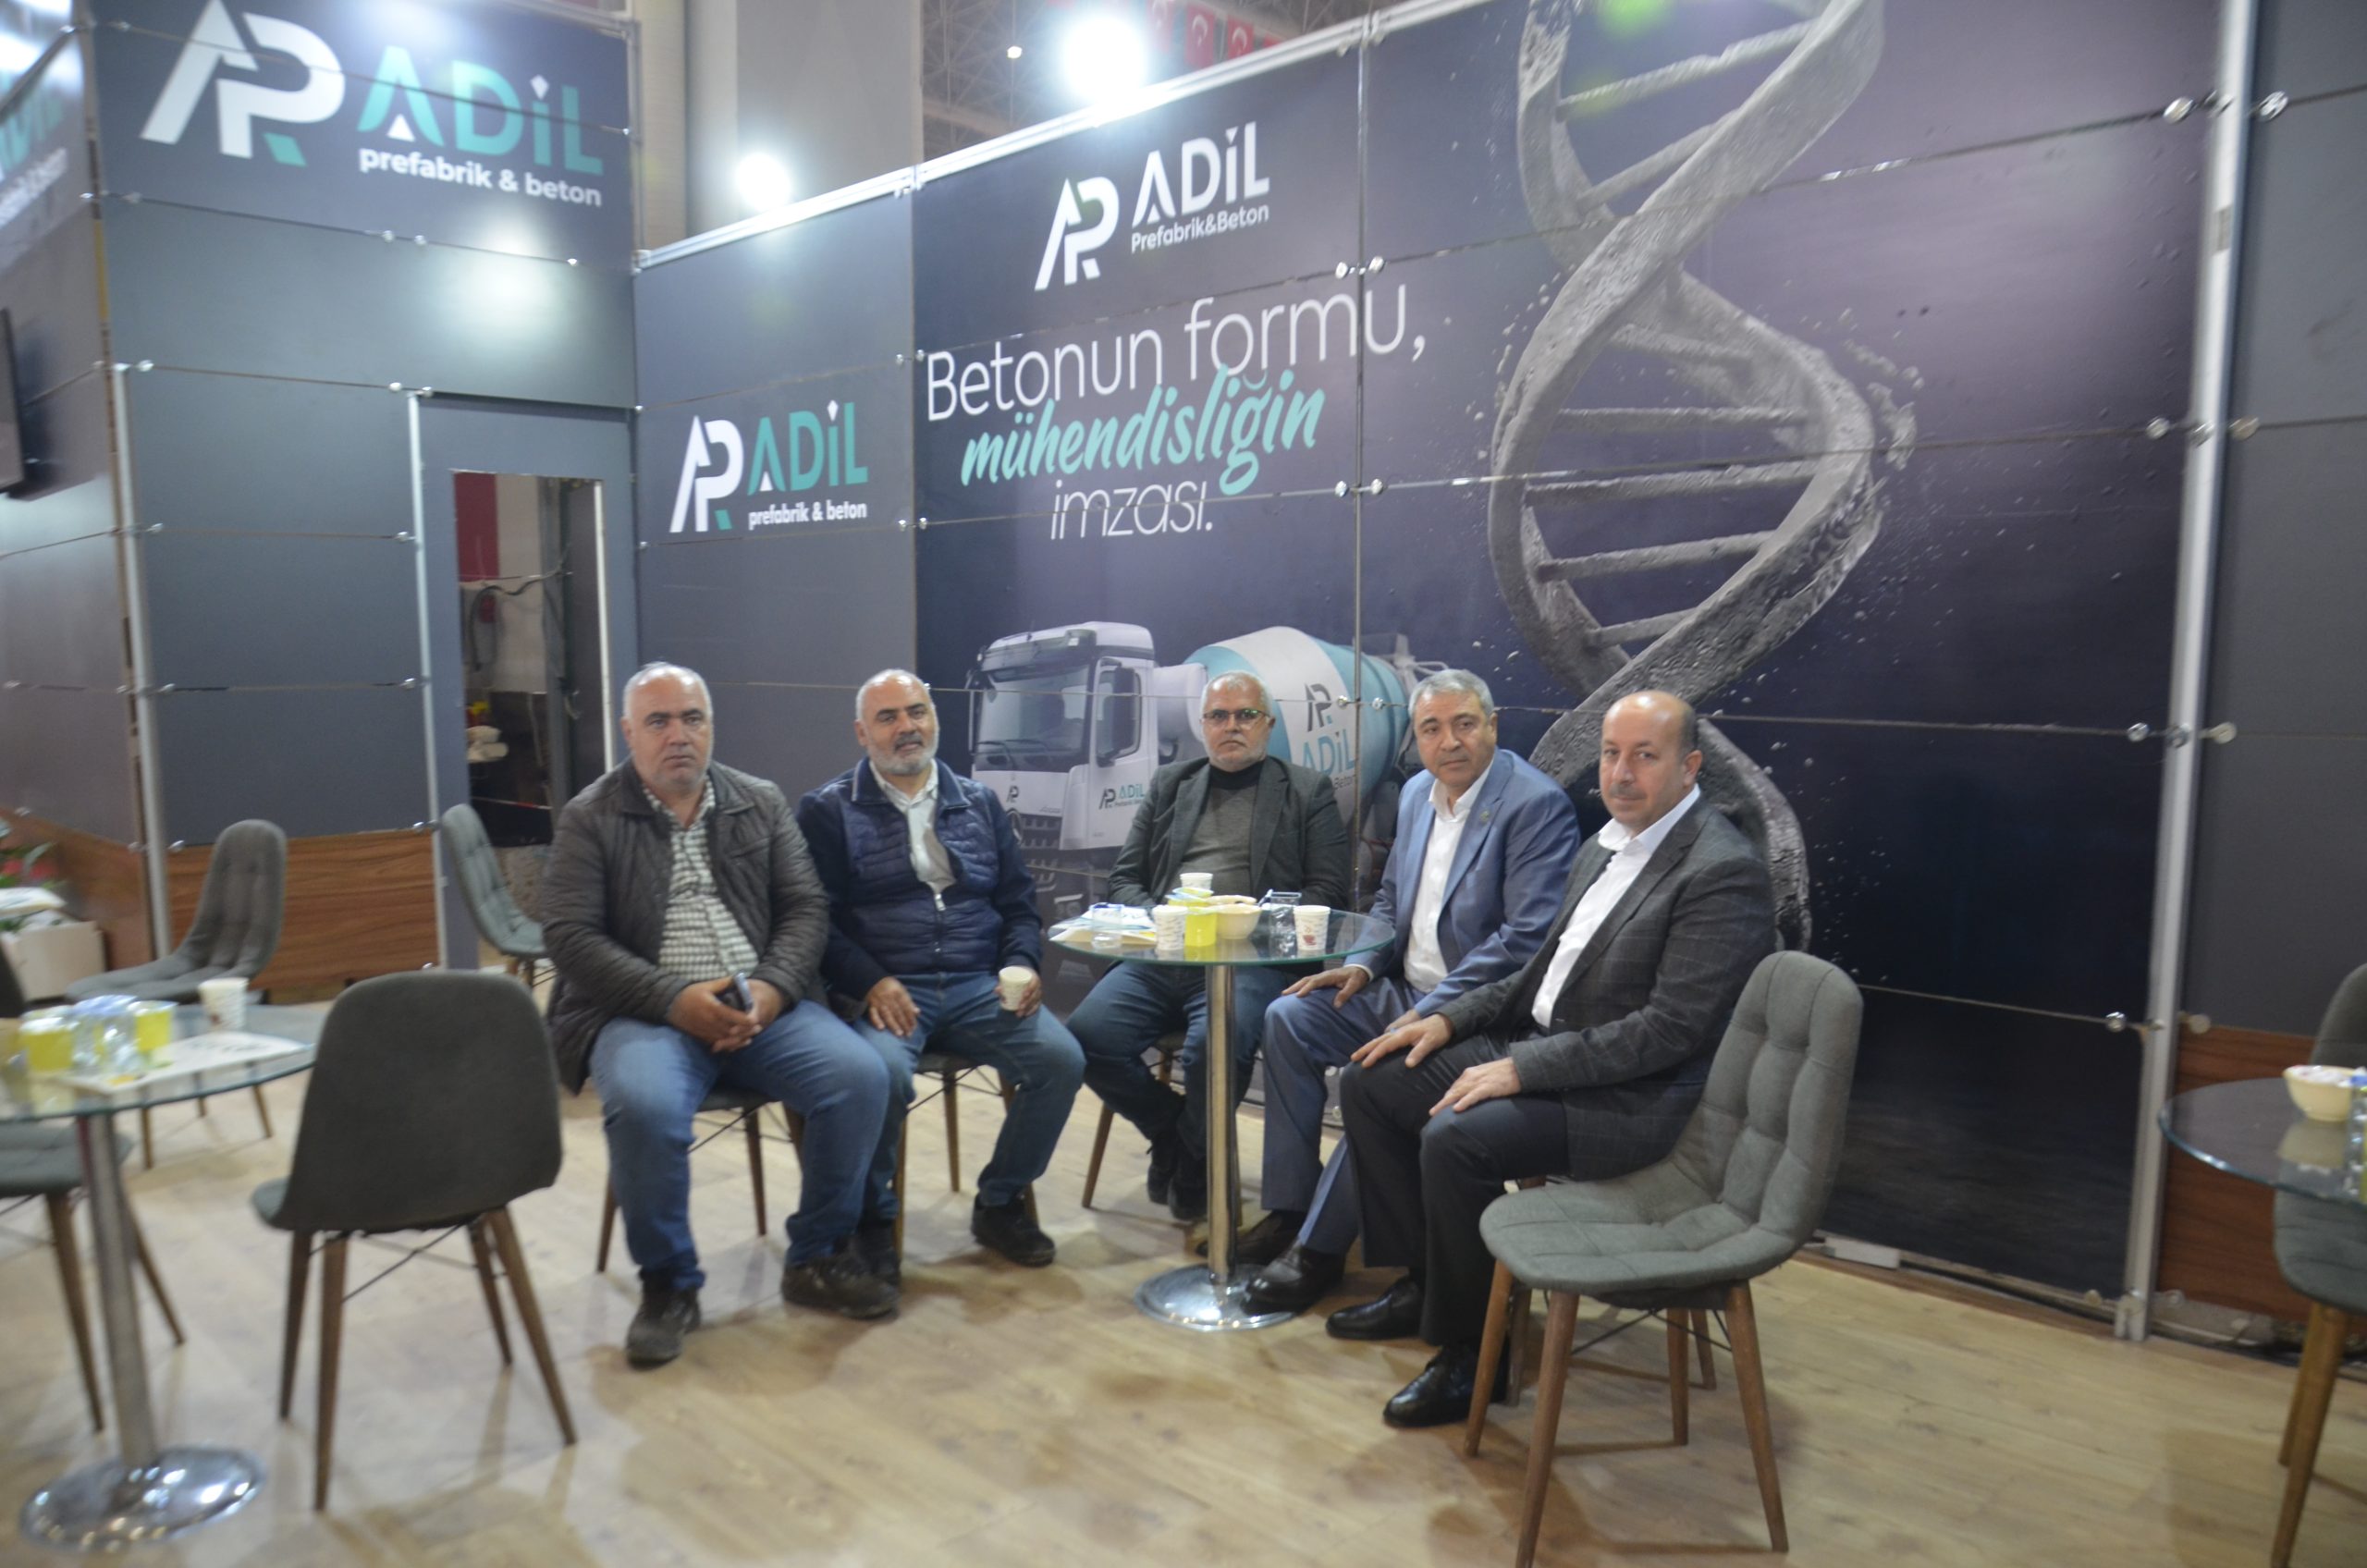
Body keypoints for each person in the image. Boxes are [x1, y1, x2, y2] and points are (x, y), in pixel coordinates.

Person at [1331, 689, 1776, 1427]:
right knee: (1372, 1081)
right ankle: (1425, 1282)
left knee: (1456, 1138)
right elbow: (1535, 974)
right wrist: (1445, 1019)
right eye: (1610, 754)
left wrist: (1521, 1070)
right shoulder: (1605, 843)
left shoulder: (1722, 870)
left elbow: (1668, 1032)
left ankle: (1475, 1352)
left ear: (1690, 767)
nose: (1621, 773)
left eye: (1645, 756)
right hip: (1549, 1049)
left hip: (1636, 1099)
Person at [543, 663, 897, 1369]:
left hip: (760, 1003)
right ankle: (670, 1283)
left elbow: (805, 909)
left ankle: (818, 1253)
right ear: (629, 733)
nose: (678, 735)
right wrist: (673, 1000)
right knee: (645, 1106)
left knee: (860, 1076)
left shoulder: (758, 801)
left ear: (711, 725)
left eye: (692, 718)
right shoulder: (590, 816)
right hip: (644, 1012)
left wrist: (772, 988)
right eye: (659, 722)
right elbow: (571, 938)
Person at [1240, 670, 1578, 1313]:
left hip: (1478, 1017)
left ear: (1492, 727)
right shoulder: (1418, 792)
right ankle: (1290, 1209)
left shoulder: (1535, 805)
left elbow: (1525, 939)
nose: (1449, 742)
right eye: (1431, 728)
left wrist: (1431, 1010)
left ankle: (1318, 1249)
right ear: (1416, 740)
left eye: (1464, 724)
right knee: (1288, 1018)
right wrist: (1362, 967)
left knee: (1378, 1077)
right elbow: (1391, 898)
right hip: (1401, 990)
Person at [798, 669, 1085, 1272]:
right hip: (891, 989)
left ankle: (1000, 1200)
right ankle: (873, 1218)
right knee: (880, 1075)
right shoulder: (828, 810)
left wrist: (1021, 962)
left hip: (979, 984)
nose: (907, 727)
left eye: (917, 712)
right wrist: (870, 981)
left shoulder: (979, 802)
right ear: (862, 733)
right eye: (888, 717)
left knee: (1061, 1060)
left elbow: (1018, 903)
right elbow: (816, 922)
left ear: (933, 718)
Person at [1069, 671, 1352, 1221]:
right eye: (1219, 716)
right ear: (1202, 726)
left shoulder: (1306, 790)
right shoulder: (1170, 784)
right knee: (1085, 1038)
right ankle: (1176, 1135)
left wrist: (1246, 925)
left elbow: (1328, 891)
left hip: (1253, 962)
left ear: (1268, 723)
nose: (1232, 726)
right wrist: (1167, 921)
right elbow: (1123, 880)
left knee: (1210, 1050)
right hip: (1165, 955)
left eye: (1246, 715)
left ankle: (1193, 1165)